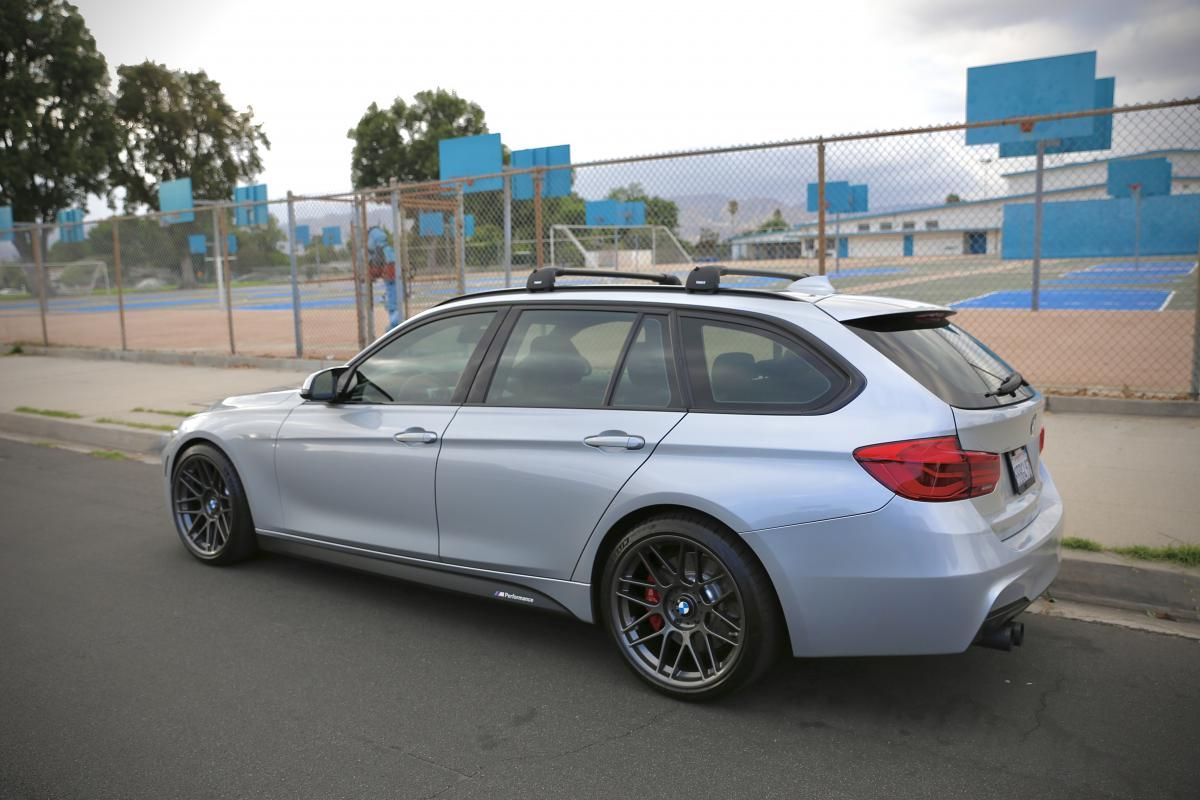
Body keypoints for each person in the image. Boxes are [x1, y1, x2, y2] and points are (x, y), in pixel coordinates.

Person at [365, 226, 400, 328]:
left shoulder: (381, 252)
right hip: (393, 289)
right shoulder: (387, 250)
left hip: (393, 291)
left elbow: (380, 271)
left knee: (394, 318)